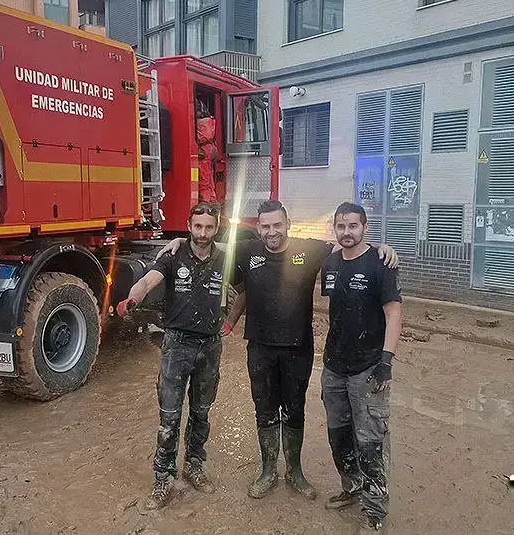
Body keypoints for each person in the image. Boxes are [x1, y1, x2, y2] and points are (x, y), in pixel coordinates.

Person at [158, 200, 399, 501]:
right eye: (266, 226)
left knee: (295, 411)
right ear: (258, 227)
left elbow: (348, 246)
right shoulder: (247, 250)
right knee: (265, 411)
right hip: (260, 348)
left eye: (277, 225)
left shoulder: (309, 250)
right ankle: (268, 470)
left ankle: (294, 471)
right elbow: (206, 244)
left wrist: (380, 248)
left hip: (298, 349)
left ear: (288, 224)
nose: (272, 231)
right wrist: (180, 240)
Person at [117, 202, 226, 510]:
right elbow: (148, 280)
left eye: (208, 227)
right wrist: (133, 298)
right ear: (188, 226)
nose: (202, 233)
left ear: (216, 228)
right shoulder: (172, 254)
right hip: (177, 345)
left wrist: (231, 318)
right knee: (169, 418)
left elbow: (247, 280)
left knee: (201, 412)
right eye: (197, 227)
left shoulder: (226, 255)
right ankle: (163, 479)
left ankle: (194, 466)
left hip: (210, 345)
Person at [319, 202, 402, 531]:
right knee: (338, 435)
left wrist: (386, 361)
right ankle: (350, 487)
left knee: (370, 441)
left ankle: (375, 509)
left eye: (353, 226)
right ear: (335, 228)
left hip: (368, 368)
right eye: (341, 226)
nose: (347, 232)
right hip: (334, 366)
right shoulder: (329, 263)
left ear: (364, 227)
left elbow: (394, 314)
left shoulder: (381, 263)